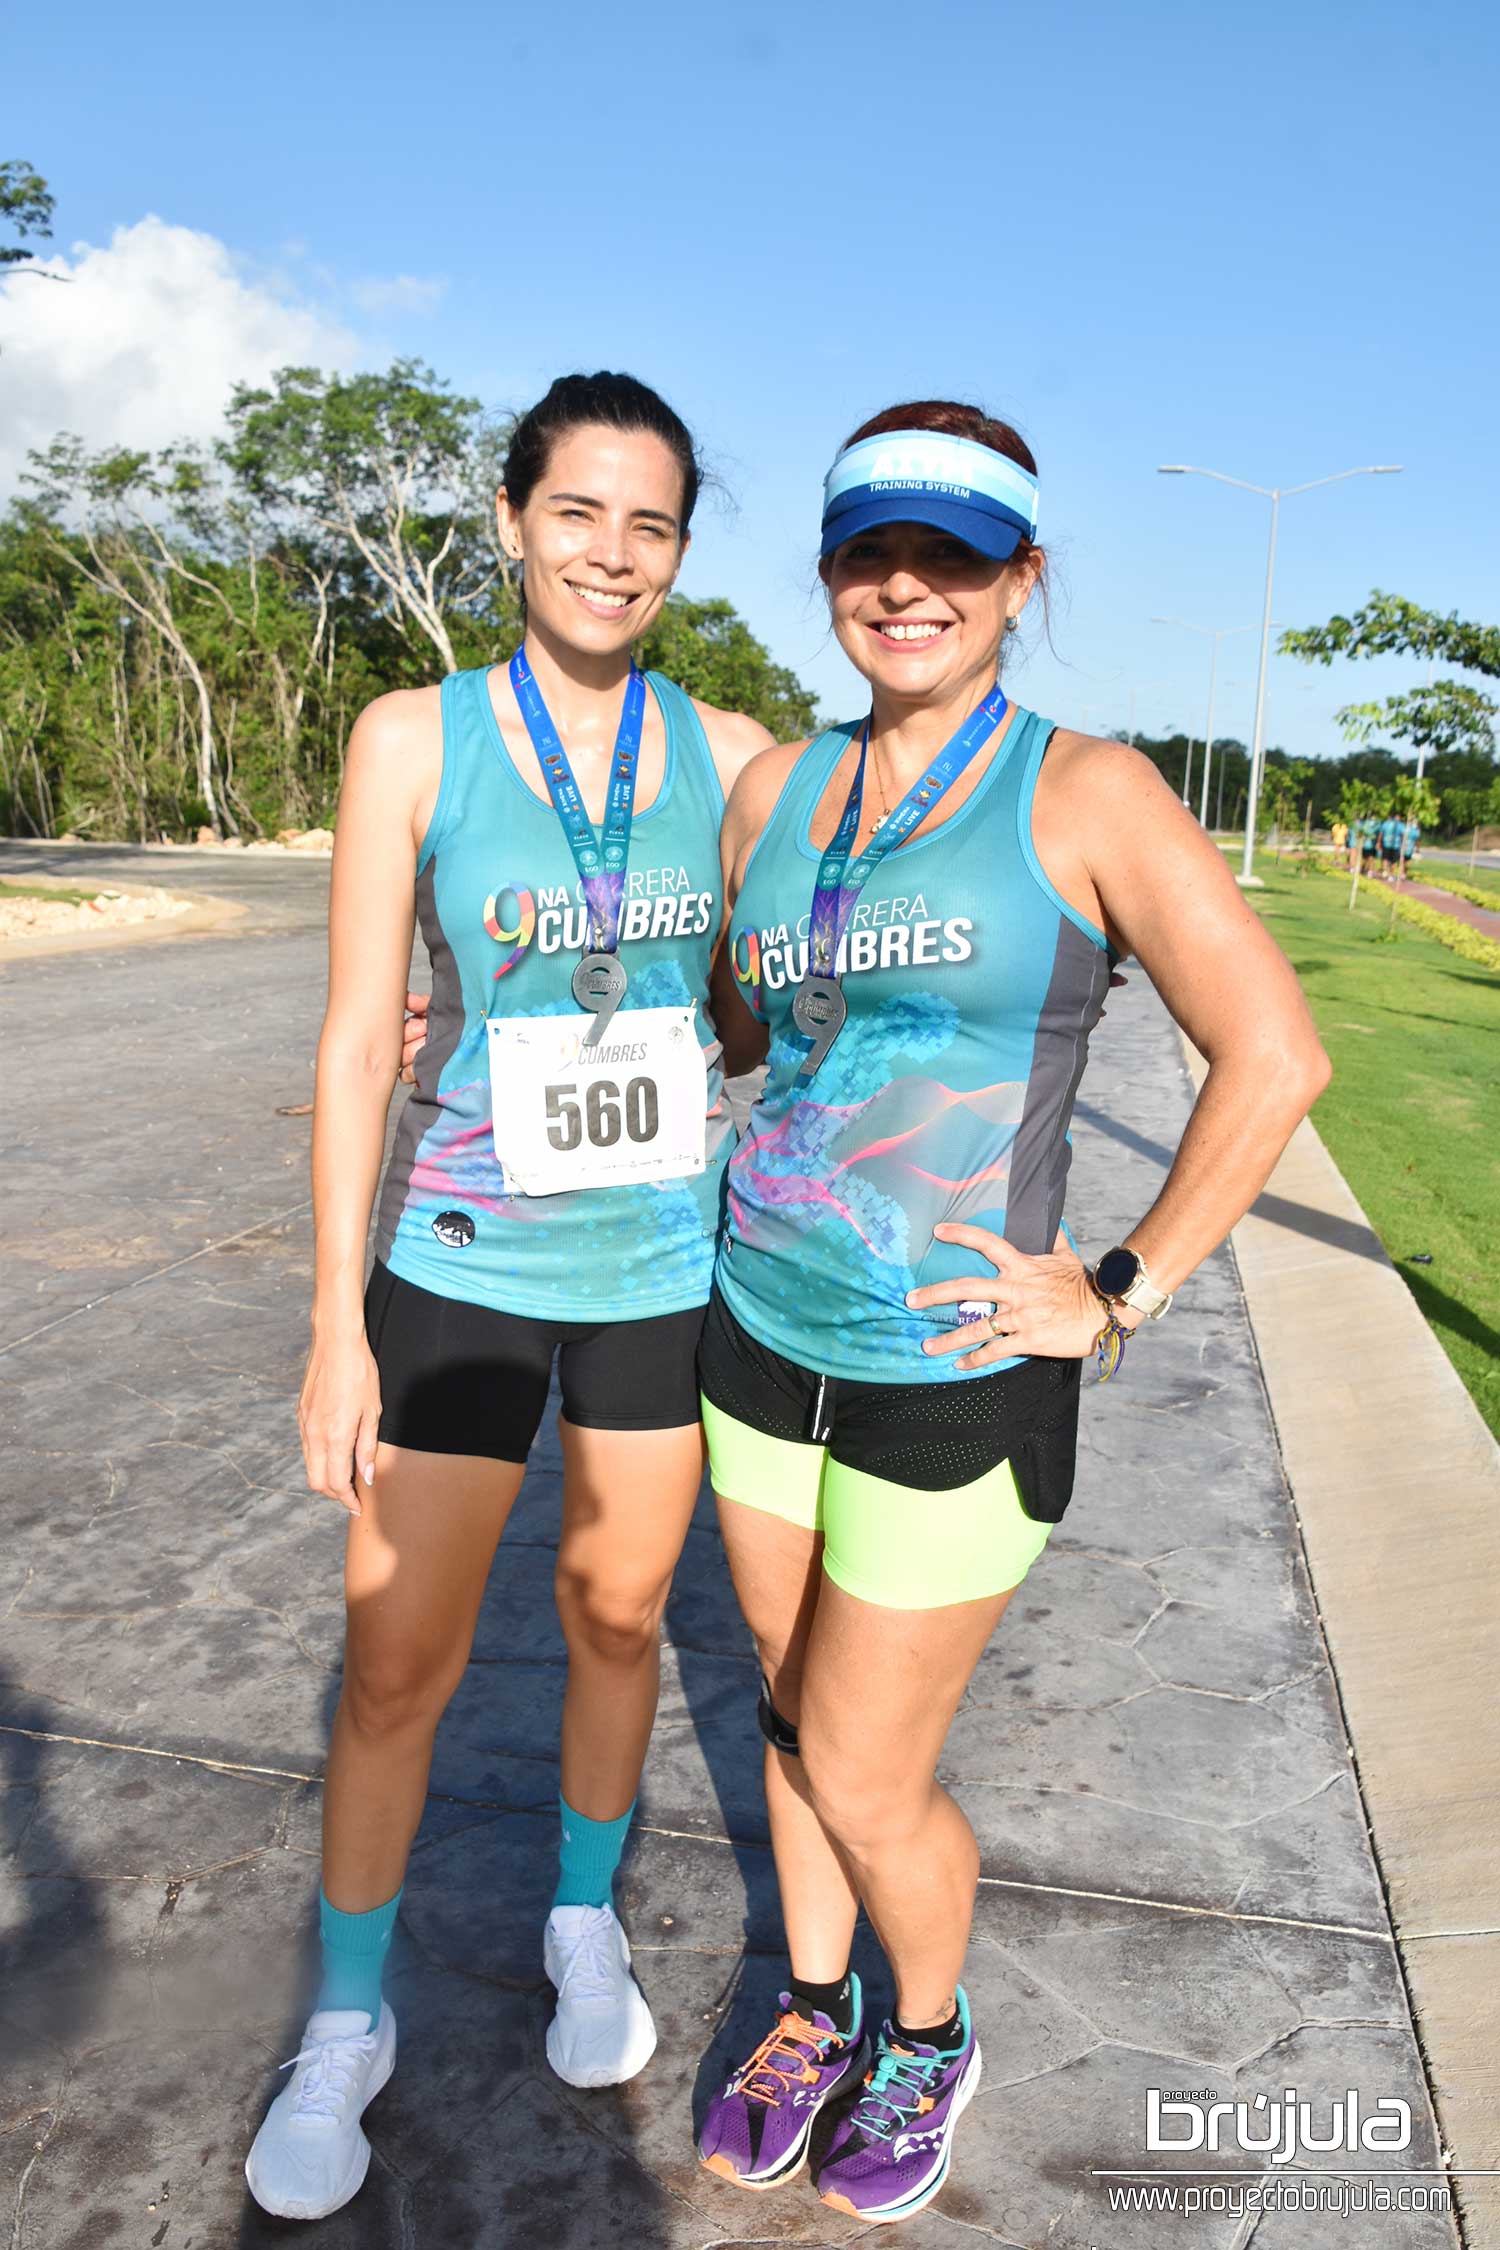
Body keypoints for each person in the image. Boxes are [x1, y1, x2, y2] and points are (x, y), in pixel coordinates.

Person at [692, 400, 1331, 2224]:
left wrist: (1118, 1286)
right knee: (789, 1709)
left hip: (955, 1362)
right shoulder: (777, 791)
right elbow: (758, 1035)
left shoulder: (1088, 789)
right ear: (828, 570)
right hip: (759, 1323)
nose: (907, 589)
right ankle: (812, 2008)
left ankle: (928, 2026)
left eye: (953, 559)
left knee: (874, 1768)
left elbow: (1276, 1054)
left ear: (1019, 579)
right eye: (871, 553)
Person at [245, 372, 772, 2221]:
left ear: (680, 551)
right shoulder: (415, 737)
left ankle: (580, 1916)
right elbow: (350, 1034)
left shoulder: (734, 748)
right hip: (458, 1260)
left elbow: (761, 1002)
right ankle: (346, 2015)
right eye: (579, 512)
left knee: (619, 1608)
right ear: (510, 520)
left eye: (649, 525)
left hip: (657, 1265)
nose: (611, 554)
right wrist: (330, 1325)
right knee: (398, 1659)